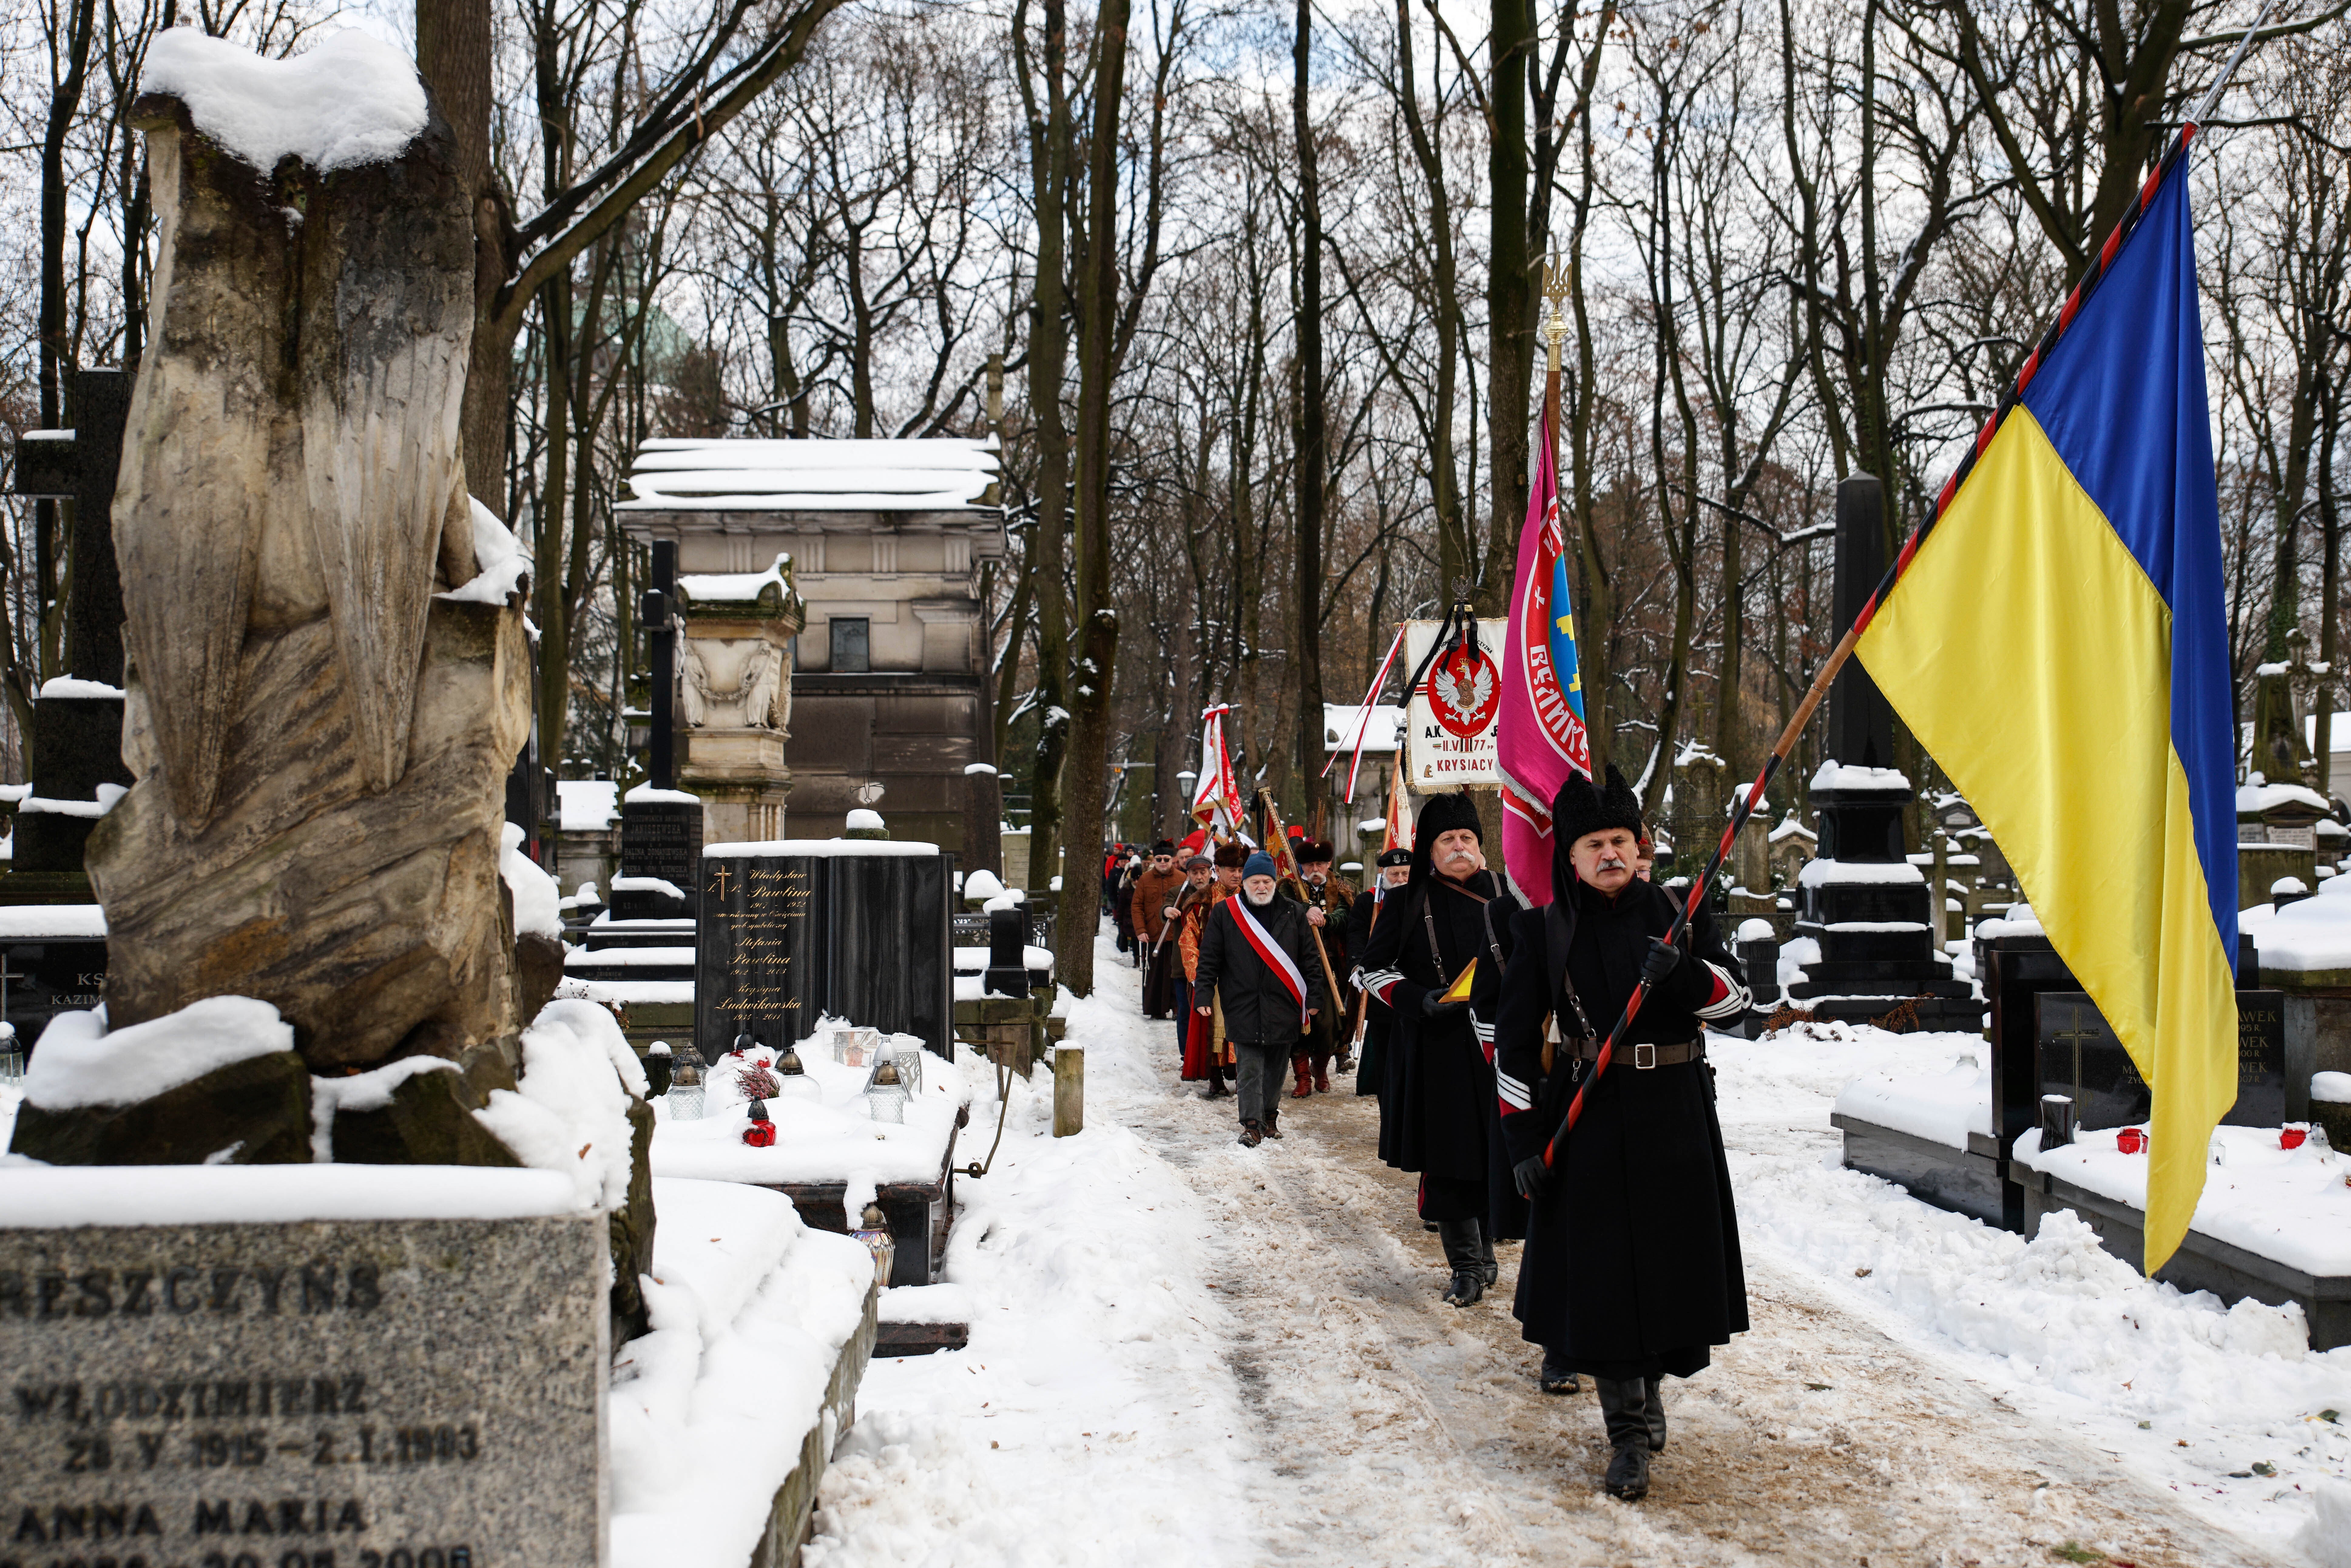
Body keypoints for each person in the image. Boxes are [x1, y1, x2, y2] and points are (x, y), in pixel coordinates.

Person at [1495, 764, 1751, 1503]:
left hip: (1674, 1113)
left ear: (1639, 847)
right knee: (1603, 1281)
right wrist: (1522, 1143)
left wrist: (1684, 976)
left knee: (1668, 1271)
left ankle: (1651, 1388)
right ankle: (1627, 1434)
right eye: (1593, 844)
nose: (1610, 853)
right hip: (1589, 1119)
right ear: (1569, 858)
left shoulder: (1681, 910)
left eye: (1620, 840)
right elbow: (1515, 1045)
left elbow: (1737, 1004)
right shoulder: (1543, 931)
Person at [1354, 794, 1523, 1308]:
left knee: (1498, 1152)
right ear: (1430, 850)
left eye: (1467, 838)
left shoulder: (1507, 894)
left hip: (1502, 1049)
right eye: (1447, 840)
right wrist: (1414, 999)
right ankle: (1466, 1266)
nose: (1459, 847)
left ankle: (1489, 1244)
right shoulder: (1406, 902)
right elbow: (1371, 968)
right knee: (1450, 1161)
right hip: (1439, 1049)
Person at [1193, 851, 1326, 1146]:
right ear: (1245, 883)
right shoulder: (1226, 913)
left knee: (1277, 1068)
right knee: (1250, 1067)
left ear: (1275, 883)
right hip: (1242, 1003)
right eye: (1255, 881)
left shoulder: (1294, 913)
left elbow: (1310, 960)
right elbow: (1210, 958)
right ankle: (1251, 1125)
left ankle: (1270, 1118)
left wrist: (1315, 996)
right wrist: (1203, 992)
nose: (1262, 887)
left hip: (1284, 1004)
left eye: (1267, 881)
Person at [1279, 839, 1353, 1095]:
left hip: (1331, 966)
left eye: (1320, 863)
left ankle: (1319, 1068)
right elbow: (1282, 910)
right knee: (1298, 1022)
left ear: (1329, 863)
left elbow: (1346, 915)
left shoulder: (1341, 887)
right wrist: (1305, 910)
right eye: (1310, 864)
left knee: (1329, 1023)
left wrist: (1326, 920)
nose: (1315, 868)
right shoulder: (1288, 887)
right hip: (1296, 966)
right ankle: (1302, 1078)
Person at [1179, 843, 1248, 1095]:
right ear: (1217, 869)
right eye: (1231, 869)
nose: (1237, 875)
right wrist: (1199, 977)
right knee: (1213, 1026)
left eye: (1241, 869)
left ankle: (1244, 1077)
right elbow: (1188, 939)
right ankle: (1216, 1079)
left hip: (1245, 977)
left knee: (1244, 1025)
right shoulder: (1203, 901)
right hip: (1213, 977)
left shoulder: (1252, 898)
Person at [1346, 848, 1413, 1098]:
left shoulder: (1424, 898)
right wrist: (1356, 966)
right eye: (1394, 874)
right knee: (1385, 1060)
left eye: (1406, 873)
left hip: (1416, 988)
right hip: (1381, 991)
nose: (1400, 879)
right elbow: (1356, 936)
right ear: (1383, 873)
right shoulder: (1368, 902)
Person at [1130, 841, 1187, 1017]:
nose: (1163, 862)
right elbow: (1137, 905)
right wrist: (1140, 929)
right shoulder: (1145, 879)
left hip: (1177, 936)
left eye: (1167, 859)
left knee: (1176, 973)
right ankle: (1156, 1009)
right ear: (1154, 859)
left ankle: (1178, 1007)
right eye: (1159, 859)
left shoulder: (1182, 879)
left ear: (1173, 860)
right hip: (1154, 934)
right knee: (1155, 976)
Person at [1167, 854, 1214, 1027]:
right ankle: (1185, 1053)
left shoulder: (1217, 892)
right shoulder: (1178, 894)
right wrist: (1167, 911)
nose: (1199, 877)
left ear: (1210, 873)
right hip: (1184, 964)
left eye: (1203, 872)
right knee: (1186, 1012)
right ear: (1188, 874)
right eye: (1195, 873)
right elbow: (1167, 907)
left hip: (1213, 964)